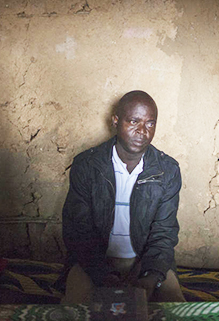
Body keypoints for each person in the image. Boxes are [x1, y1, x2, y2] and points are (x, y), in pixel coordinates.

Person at [61, 90, 185, 303]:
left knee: (176, 308)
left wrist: (150, 277)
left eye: (150, 123)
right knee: (74, 309)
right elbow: (78, 231)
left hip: (145, 262)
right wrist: (104, 276)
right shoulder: (87, 165)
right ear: (116, 121)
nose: (142, 131)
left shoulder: (167, 170)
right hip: (94, 263)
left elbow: (164, 234)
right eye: (134, 121)